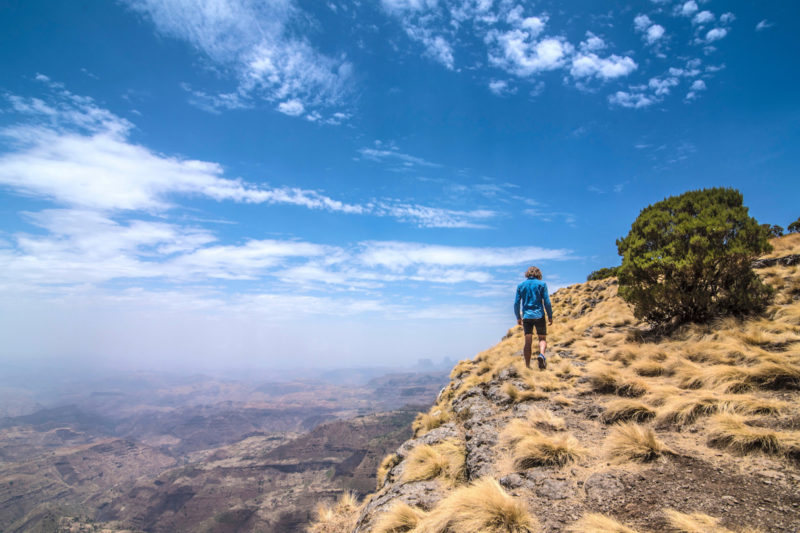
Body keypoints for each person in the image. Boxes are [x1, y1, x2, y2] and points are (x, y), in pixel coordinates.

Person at [514, 266, 553, 370]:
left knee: (528, 342)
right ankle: (541, 355)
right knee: (542, 338)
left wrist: (518, 317)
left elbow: (516, 303)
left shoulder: (521, 286)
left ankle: (527, 366)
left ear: (527, 273)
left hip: (526, 316)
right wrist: (550, 316)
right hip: (539, 315)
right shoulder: (542, 284)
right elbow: (547, 302)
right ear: (538, 274)